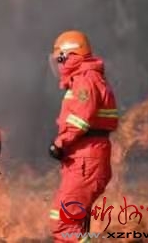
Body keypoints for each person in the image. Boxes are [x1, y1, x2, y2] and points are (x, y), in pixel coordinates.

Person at [47, 30, 118, 241]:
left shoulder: (85, 80)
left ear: (70, 56)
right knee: (69, 221)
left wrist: (60, 143)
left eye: (60, 59)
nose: (58, 65)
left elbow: (81, 119)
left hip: (86, 159)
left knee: (63, 221)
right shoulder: (87, 78)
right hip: (83, 157)